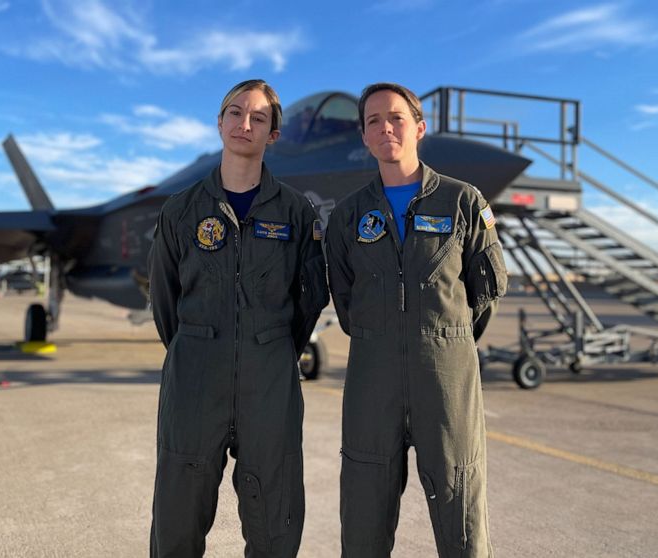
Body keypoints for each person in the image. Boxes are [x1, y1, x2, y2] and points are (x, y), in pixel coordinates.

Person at [148, 79, 329, 557]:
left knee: (275, 524)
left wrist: (267, 347)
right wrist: (199, 343)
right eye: (234, 112)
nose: (243, 124)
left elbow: (308, 298)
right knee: (176, 525)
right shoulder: (181, 211)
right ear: (220, 122)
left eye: (258, 118)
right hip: (194, 382)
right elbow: (165, 300)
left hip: (270, 384)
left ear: (273, 135)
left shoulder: (295, 212)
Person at [325, 83, 507, 557]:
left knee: (461, 516)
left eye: (396, 118)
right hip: (371, 382)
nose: (385, 127)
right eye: (373, 121)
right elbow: (345, 299)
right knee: (363, 520)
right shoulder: (349, 216)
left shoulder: (463, 202)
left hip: (446, 381)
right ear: (364, 137)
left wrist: (444, 339)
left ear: (419, 128)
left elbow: (485, 293)